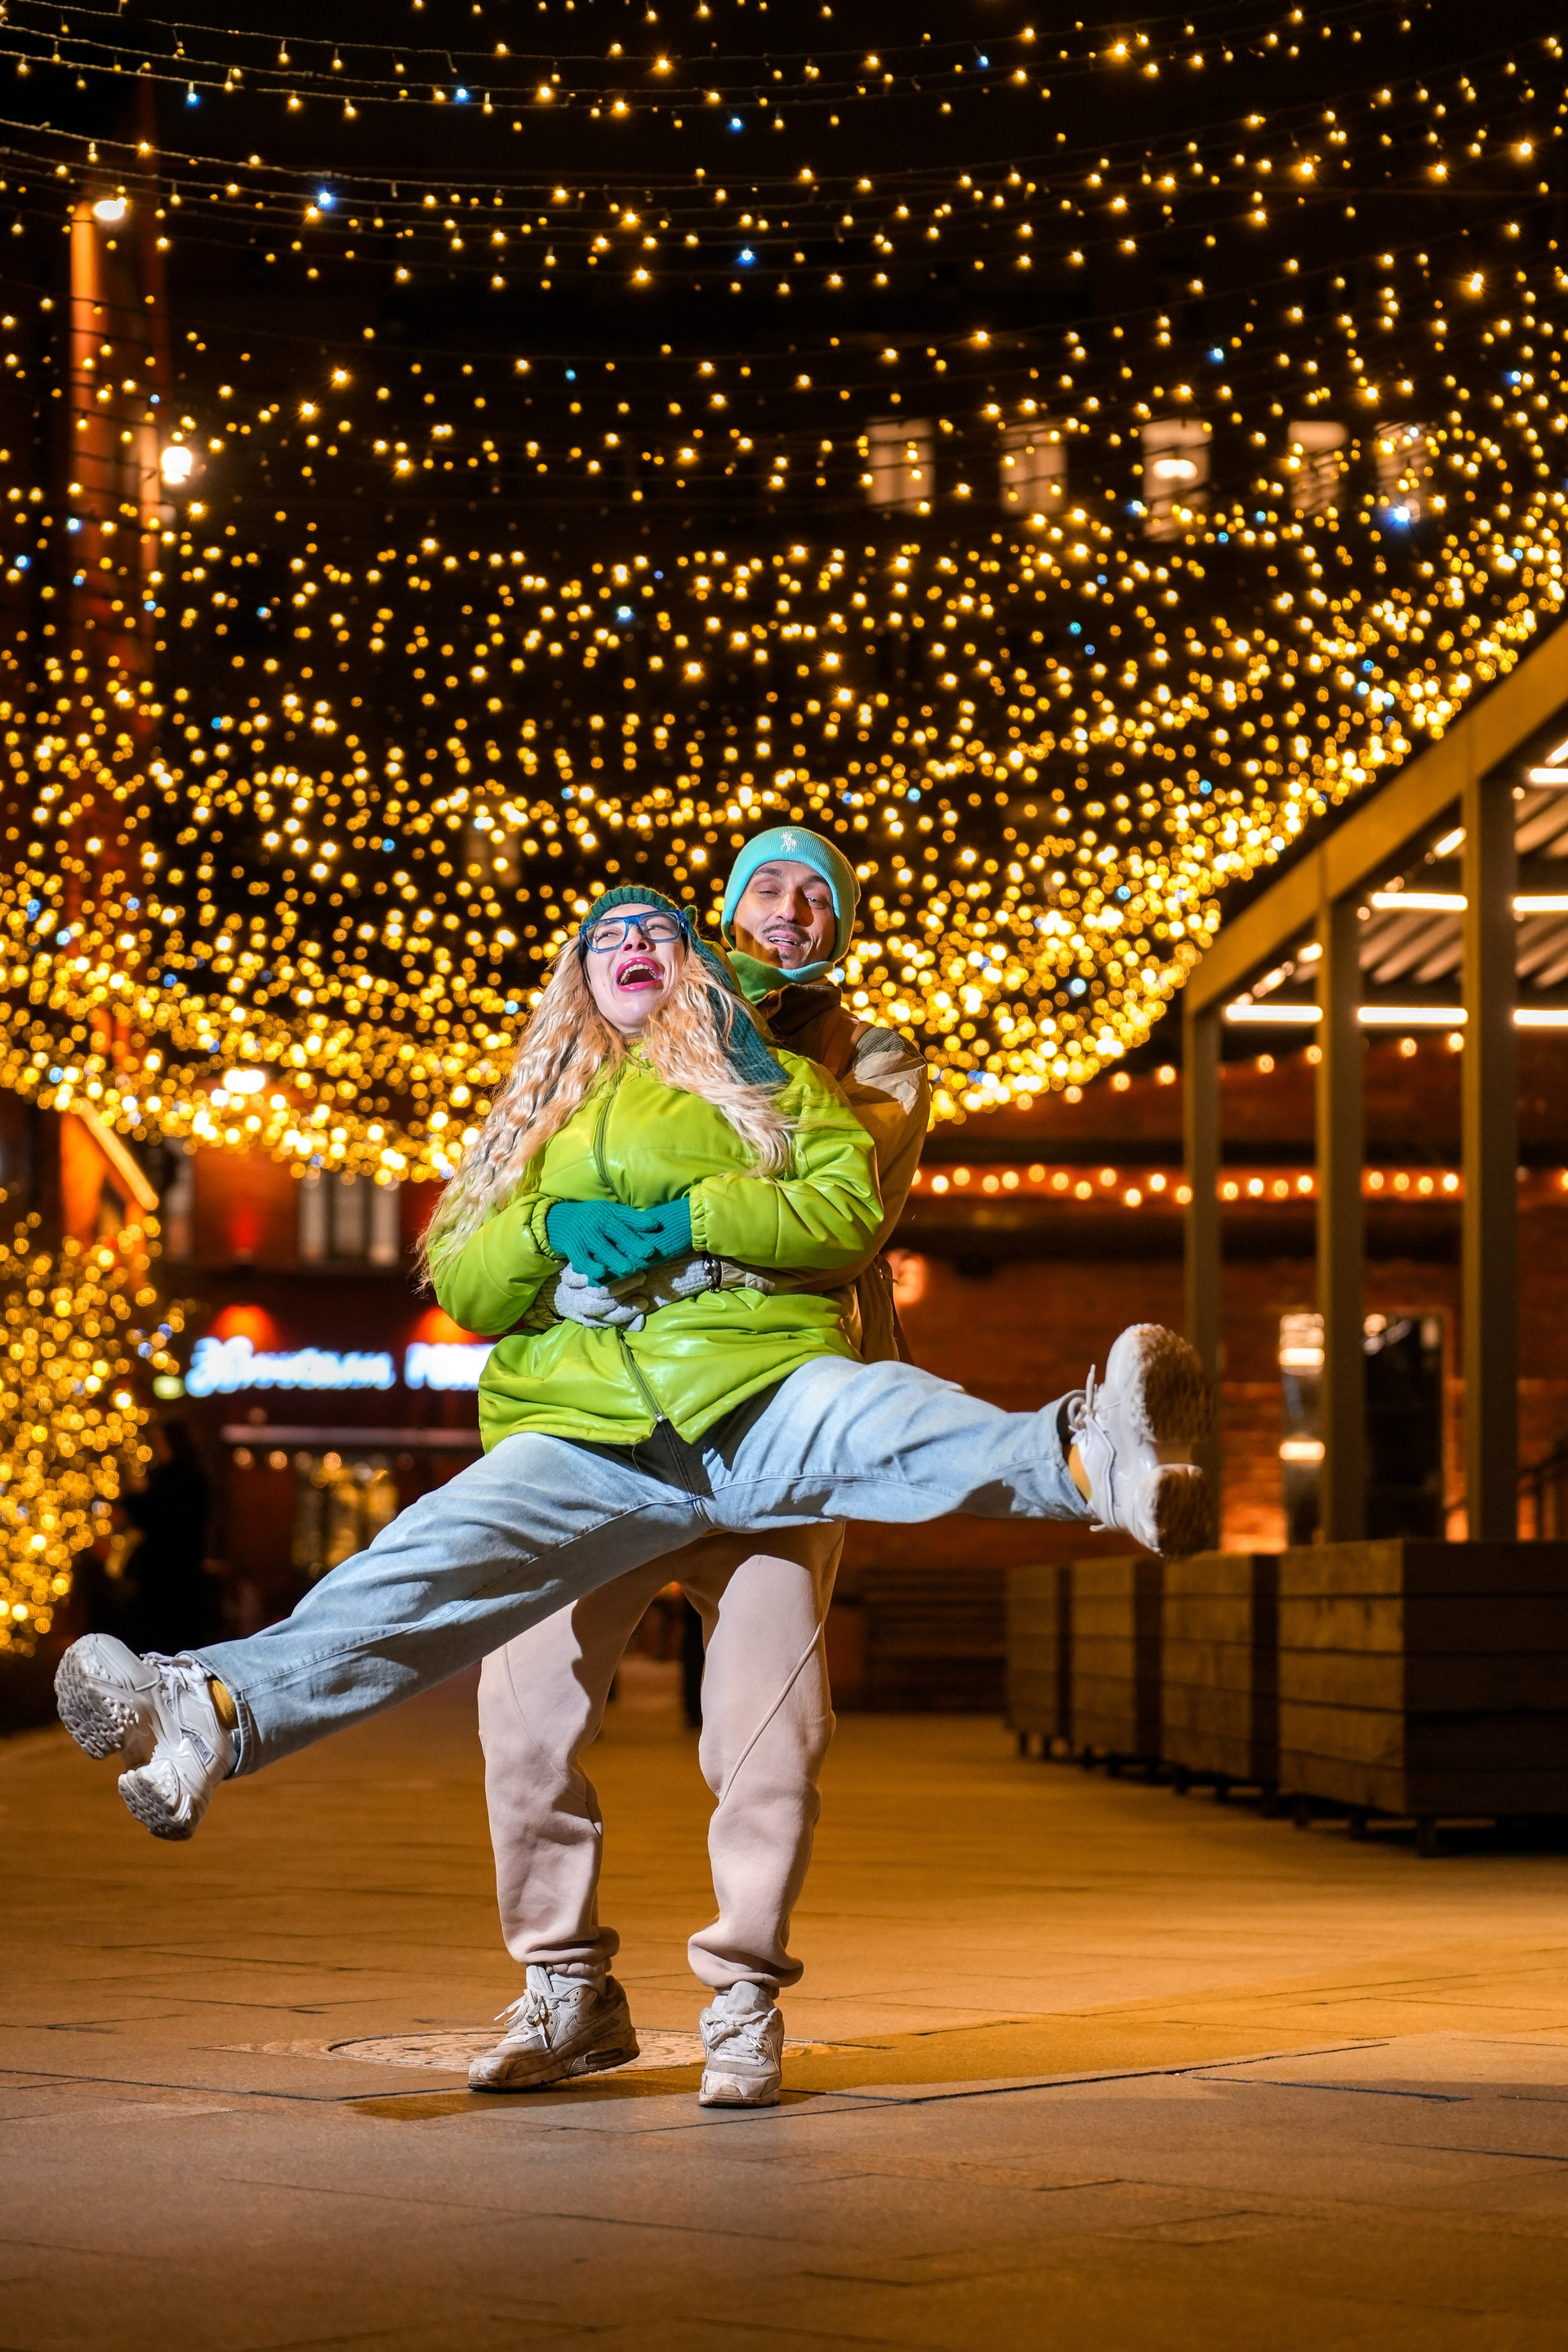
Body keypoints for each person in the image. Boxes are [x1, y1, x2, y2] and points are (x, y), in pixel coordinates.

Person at [54, 888, 1210, 1927]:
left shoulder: (783, 1081)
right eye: (606, 934)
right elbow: (463, 1275)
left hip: (752, 1383)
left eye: (657, 928)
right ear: (580, 975)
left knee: (879, 1422)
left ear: (694, 959)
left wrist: (692, 1221)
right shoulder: (537, 1114)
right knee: (431, 1559)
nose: (632, 943)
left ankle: (1091, 1460)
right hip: (591, 1427)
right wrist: (546, 1226)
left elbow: (847, 1215)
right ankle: (212, 1704)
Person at [471, 828, 930, 2108]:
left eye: (817, 893)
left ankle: (742, 1994)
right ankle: (565, 1985)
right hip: (606, 1420)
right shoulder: (619, 1021)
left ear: (840, 925)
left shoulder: (871, 1057)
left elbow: (833, 1198)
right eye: (764, 886)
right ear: (725, 908)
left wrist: (719, 1033)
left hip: (777, 1418)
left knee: (770, 1729)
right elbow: (524, 1187)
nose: (790, 907)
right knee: (523, 1702)